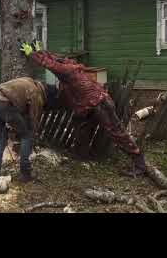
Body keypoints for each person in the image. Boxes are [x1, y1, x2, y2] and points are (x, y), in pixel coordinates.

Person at [20, 41, 146, 176]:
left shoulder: (66, 71)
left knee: (116, 132)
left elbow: (51, 64)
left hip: (99, 103)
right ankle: (82, 154)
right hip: (89, 105)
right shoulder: (72, 65)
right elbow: (55, 59)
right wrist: (41, 51)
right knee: (80, 124)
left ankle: (139, 163)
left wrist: (32, 54)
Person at [0, 76, 59, 182]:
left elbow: (19, 105)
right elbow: (33, 120)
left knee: (0, 137)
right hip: (4, 102)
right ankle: (25, 173)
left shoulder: (29, 81)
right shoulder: (36, 94)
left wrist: (17, 124)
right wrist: (30, 131)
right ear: (48, 95)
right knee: (27, 135)